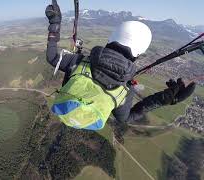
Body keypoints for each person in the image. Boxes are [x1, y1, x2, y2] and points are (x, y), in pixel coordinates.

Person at [45, 0, 196, 131]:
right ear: (137, 54)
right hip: (86, 116)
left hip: (64, 106)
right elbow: (127, 118)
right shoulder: (124, 91)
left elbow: (52, 57)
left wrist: (55, 24)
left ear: (111, 40)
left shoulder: (78, 62)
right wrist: (165, 99)